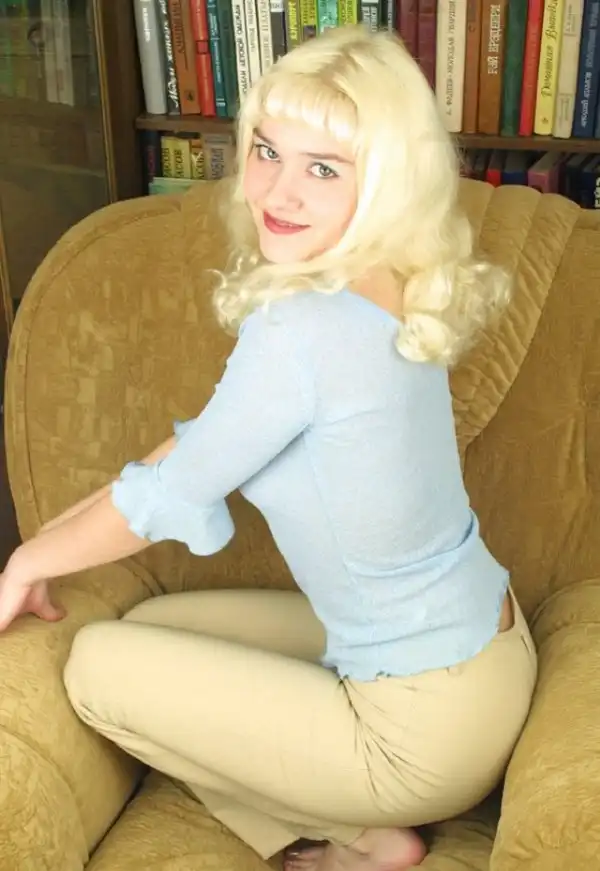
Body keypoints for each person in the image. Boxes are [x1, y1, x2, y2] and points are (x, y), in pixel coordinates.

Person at [0, 25, 537, 871]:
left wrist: (26, 561)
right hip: (488, 657)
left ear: (385, 182)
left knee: (96, 667)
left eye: (324, 168)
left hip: (420, 732)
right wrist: (46, 548)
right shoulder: (389, 281)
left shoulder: (304, 328)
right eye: (266, 150)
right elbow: (190, 456)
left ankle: (363, 840)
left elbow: (164, 497)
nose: (278, 192)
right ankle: (374, 828)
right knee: (149, 627)